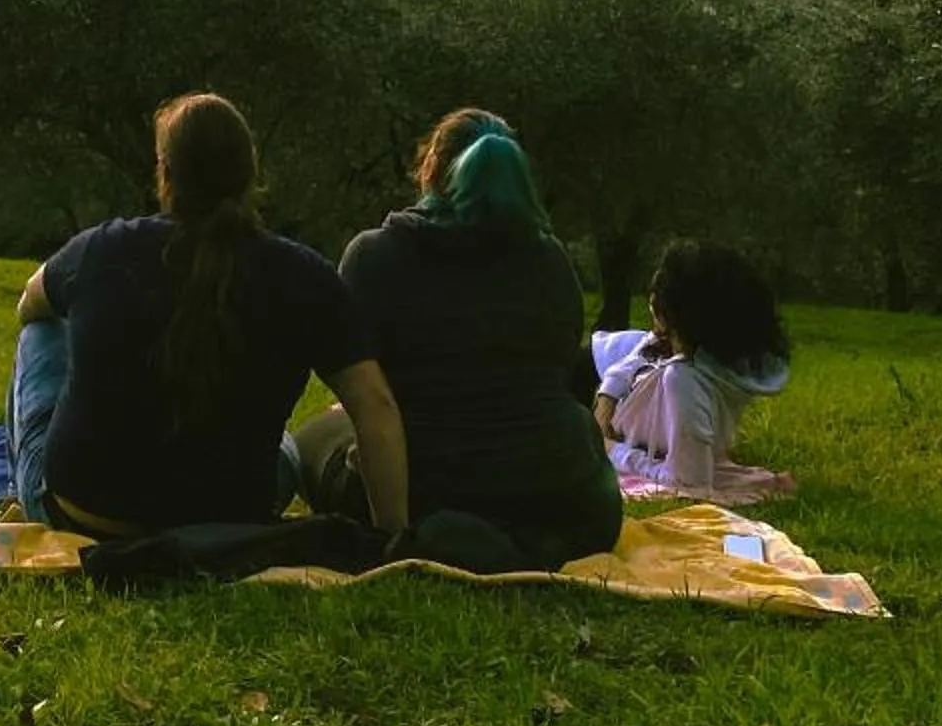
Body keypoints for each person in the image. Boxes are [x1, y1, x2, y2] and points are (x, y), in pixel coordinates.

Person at [6, 92, 408, 539]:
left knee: (39, 331)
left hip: (84, 514)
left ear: (166, 172)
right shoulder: (305, 276)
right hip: (234, 517)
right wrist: (392, 534)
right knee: (289, 451)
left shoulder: (103, 249)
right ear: (250, 172)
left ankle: (21, 491)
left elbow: (30, 304)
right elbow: (374, 405)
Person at [295, 113, 622, 571]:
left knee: (311, 437)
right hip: (567, 501)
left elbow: (364, 392)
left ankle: (446, 533)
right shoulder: (550, 260)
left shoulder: (375, 256)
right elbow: (560, 366)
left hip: (422, 489)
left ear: (429, 169)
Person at [594, 240, 794, 503]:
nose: (651, 301)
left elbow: (688, 482)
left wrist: (611, 451)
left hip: (617, 383)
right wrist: (606, 397)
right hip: (599, 365)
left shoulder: (686, 378)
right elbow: (643, 350)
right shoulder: (711, 352)